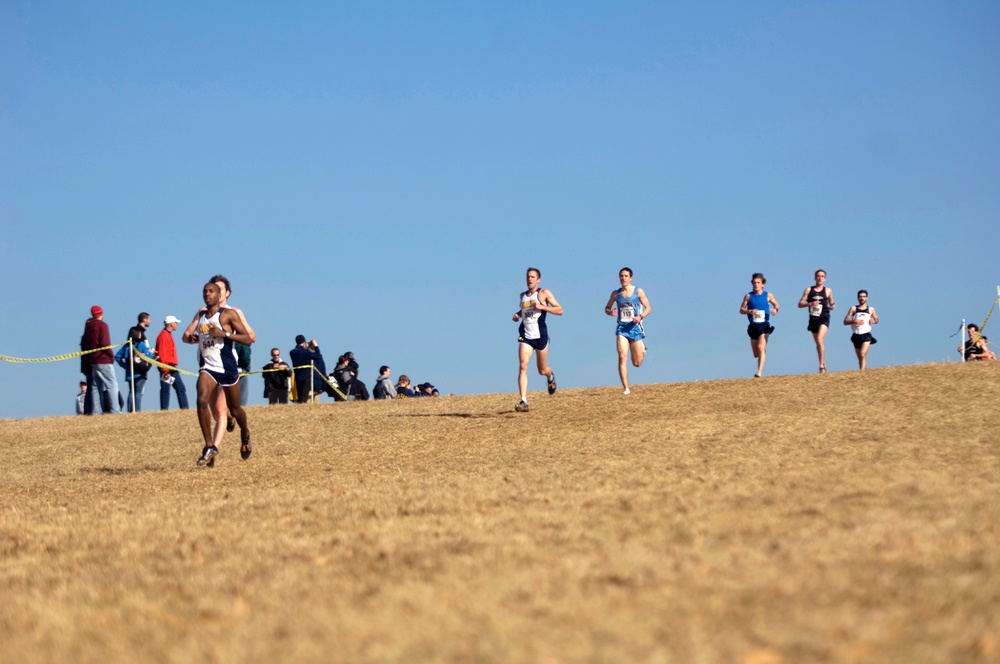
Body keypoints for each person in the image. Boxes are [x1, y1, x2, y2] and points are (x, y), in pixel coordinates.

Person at [183, 281, 253, 466]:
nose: (208, 294)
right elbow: (186, 336)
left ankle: (245, 433)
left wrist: (225, 334)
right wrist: (192, 338)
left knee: (235, 410)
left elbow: (247, 339)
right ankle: (209, 447)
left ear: (220, 294)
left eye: (211, 291)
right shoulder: (201, 314)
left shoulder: (228, 314)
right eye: (205, 291)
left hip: (228, 368)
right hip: (208, 367)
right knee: (201, 400)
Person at [512, 267, 563, 412]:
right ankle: (523, 401)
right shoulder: (522, 295)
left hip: (540, 336)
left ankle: (550, 376)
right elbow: (524, 311)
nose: (530, 279)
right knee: (523, 366)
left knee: (541, 370)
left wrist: (542, 306)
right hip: (526, 336)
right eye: (528, 276)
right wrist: (517, 315)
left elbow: (560, 310)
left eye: (533, 277)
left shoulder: (543, 293)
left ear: (538, 279)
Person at [604, 267, 652, 395]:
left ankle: (643, 349)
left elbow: (648, 308)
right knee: (622, 356)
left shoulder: (638, 292)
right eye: (621, 276)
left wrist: (640, 317)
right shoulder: (616, 294)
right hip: (622, 329)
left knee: (636, 363)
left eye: (626, 276)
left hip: (635, 329)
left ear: (631, 278)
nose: (623, 278)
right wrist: (610, 312)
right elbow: (607, 308)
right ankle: (626, 388)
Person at [82, 305, 121, 414]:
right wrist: (111, 355)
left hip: (93, 359)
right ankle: (115, 410)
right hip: (103, 359)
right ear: (101, 313)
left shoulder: (89, 327)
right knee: (112, 384)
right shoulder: (103, 326)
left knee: (95, 386)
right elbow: (105, 343)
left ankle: (96, 411)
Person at [739, 273, 779, 378]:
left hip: (764, 326)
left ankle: (759, 372)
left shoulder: (768, 295)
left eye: (758, 283)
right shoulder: (748, 296)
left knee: (761, 347)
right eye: (754, 283)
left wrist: (775, 309)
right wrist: (750, 311)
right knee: (756, 354)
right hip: (753, 327)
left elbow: (776, 304)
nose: (756, 285)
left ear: (763, 284)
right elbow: (741, 310)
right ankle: (761, 356)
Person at [798, 269, 835, 373]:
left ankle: (821, 366)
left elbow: (831, 301)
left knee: (819, 340)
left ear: (825, 278)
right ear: (815, 278)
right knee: (818, 343)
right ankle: (823, 361)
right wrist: (810, 304)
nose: (820, 278)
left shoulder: (828, 290)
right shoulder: (809, 290)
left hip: (824, 317)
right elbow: (800, 304)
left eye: (822, 276)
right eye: (818, 276)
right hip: (813, 318)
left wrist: (832, 305)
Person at [121, 312, 156, 412]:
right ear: (144, 319)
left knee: (133, 391)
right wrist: (150, 354)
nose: (150, 321)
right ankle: (135, 410)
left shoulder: (142, 334)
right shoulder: (138, 334)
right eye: (149, 319)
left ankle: (131, 410)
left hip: (135, 368)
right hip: (138, 369)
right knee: (137, 392)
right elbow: (141, 350)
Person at [156, 315, 189, 410]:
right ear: (171, 324)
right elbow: (162, 354)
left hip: (171, 367)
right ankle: (165, 410)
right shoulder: (163, 336)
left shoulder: (166, 335)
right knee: (166, 390)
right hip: (167, 367)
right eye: (176, 323)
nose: (177, 325)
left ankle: (184, 409)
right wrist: (165, 370)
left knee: (180, 388)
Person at [843, 290, 879, 370]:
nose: (862, 298)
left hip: (866, 335)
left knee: (863, 354)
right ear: (857, 298)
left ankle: (862, 373)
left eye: (863, 296)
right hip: (856, 335)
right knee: (860, 358)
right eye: (860, 296)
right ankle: (864, 373)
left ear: (867, 298)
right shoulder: (853, 309)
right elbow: (845, 322)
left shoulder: (871, 309)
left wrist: (874, 320)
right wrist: (854, 321)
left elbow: (876, 319)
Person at [289, 335, 326, 403]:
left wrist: (305, 347)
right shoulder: (305, 352)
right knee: (304, 398)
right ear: (304, 341)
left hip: (297, 376)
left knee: (300, 396)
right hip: (306, 377)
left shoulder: (292, 352)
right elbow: (318, 356)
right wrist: (316, 346)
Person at [236, 342, 251, 406]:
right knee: (242, 393)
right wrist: (245, 368)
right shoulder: (243, 342)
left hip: (227, 370)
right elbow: (245, 356)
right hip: (241, 370)